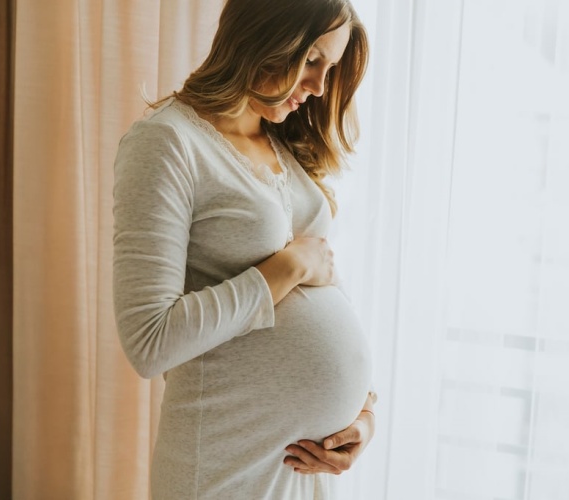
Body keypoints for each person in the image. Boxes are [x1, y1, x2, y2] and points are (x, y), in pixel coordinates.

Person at [113, 0, 376, 498]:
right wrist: (284, 269)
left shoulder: (280, 142)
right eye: (313, 59)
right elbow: (148, 342)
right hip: (224, 465)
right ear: (264, 36)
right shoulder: (168, 143)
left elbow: (324, 283)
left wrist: (362, 413)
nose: (320, 86)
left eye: (332, 68)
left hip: (303, 468)